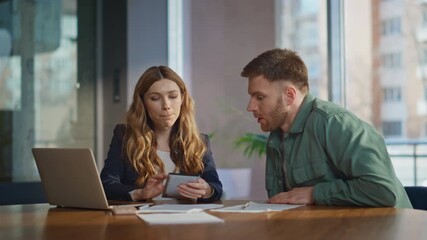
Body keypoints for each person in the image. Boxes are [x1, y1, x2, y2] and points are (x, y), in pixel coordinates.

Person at [240, 48, 412, 208]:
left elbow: (383, 191)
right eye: (251, 97)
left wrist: (315, 193)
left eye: (260, 97)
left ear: (289, 96)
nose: (250, 107)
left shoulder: (334, 123)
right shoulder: (276, 137)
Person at [101, 66, 223, 202]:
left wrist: (206, 190)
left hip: (186, 219)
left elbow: (216, 188)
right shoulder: (125, 136)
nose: (166, 105)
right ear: (143, 103)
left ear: (182, 98)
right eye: (155, 98)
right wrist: (140, 193)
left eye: (173, 96)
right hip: (140, 220)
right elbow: (107, 185)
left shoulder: (199, 141)